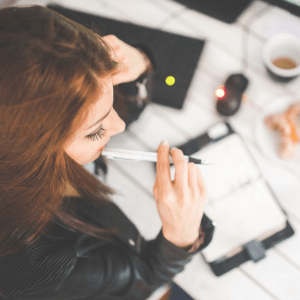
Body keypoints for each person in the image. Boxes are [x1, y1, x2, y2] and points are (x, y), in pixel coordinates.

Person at [0, 5, 214, 300]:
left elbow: (100, 107)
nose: (120, 124)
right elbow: (144, 281)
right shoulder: (33, 263)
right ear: (31, 153)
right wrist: (181, 237)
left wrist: (140, 64)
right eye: (95, 131)